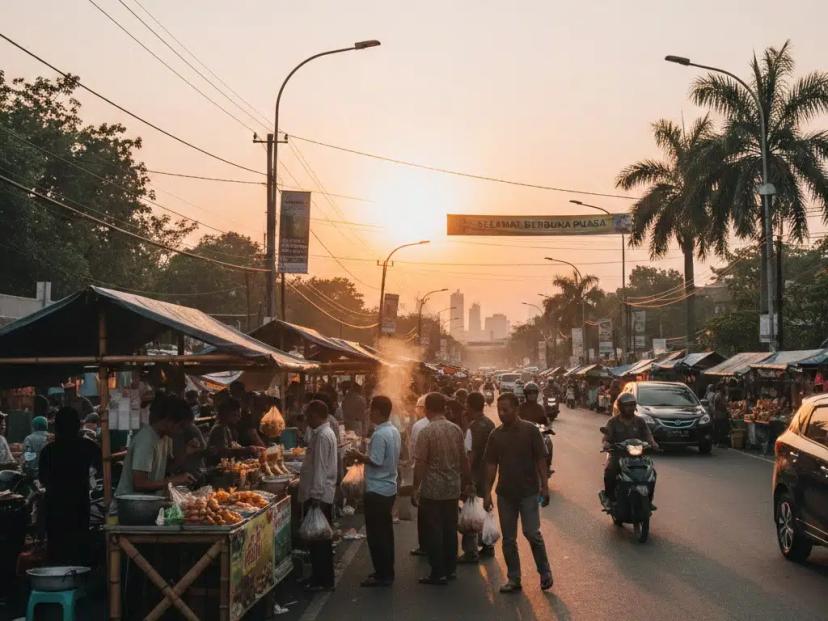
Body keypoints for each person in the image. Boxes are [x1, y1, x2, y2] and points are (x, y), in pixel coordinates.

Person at [483, 392, 553, 593]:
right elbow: (490, 465)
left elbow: (541, 460)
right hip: (505, 494)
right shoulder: (495, 435)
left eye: (506, 409)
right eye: (499, 410)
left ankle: (545, 572)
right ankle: (514, 578)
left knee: (532, 533)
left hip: (529, 492)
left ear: (516, 409)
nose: (502, 413)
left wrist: (544, 487)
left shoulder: (531, 431)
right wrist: (487, 493)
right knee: (508, 539)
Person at [412, 392, 470, 586]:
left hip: (432, 490)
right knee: (450, 529)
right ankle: (451, 569)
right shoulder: (456, 430)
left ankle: (438, 572)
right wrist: (467, 482)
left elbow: (420, 464)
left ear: (427, 409)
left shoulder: (426, 432)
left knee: (434, 531)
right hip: (452, 488)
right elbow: (464, 460)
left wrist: (414, 488)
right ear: (444, 408)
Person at [348, 396, 401, 587]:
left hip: (377, 490)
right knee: (385, 534)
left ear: (378, 411)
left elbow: (376, 460)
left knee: (377, 535)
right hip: (388, 488)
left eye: (371, 409)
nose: (369, 412)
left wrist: (358, 455)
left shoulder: (380, 434)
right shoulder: (393, 430)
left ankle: (382, 575)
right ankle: (386, 572)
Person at [38, 407, 102, 565]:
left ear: (56, 427)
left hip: (55, 506)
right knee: (78, 548)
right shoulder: (89, 447)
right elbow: (102, 469)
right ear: (78, 426)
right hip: (79, 504)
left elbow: (43, 479)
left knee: (56, 549)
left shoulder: (48, 450)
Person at [115, 395, 195, 498]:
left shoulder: (165, 438)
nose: (182, 432)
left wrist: (186, 452)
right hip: (132, 504)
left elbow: (167, 469)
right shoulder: (146, 440)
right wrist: (174, 480)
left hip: (149, 501)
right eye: (181, 427)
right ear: (169, 421)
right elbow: (139, 484)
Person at [298, 400, 338, 591]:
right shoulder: (322, 433)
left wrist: (315, 495)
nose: (307, 419)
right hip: (322, 493)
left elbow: (321, 468)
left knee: (320, 541)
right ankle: (318, 577)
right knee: (317, 540)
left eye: (308, 416)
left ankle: (323, 580)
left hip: (320, 495)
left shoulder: (322, 435)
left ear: (315, 415)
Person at [459, 392, 495, 564]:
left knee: (470, 513)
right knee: (484, 508)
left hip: (474, 474)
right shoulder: (490, 423)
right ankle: (488, 545)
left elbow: (470, 456)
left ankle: (470, 551)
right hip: (487, 473)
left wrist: (466, 478)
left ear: (470, 406)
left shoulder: (473, 427)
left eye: (466, 404)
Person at [602, 393, 658, 503]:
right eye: (627, 405)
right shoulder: (613, 422)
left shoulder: (640, 421)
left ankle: (648, 500)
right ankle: (609, 498)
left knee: (652, 474)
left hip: (638, 455)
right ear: (621, 407)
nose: (631, 408)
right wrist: (606, 443)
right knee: (609, 472)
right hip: (618, 454)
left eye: (632, 405)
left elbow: (648, 434)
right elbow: (606, 437)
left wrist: (653, 443)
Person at [408, 394, 429, 556]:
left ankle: (425, 546)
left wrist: (415, 487)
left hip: (424, 477)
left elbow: (415, 455)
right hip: (444, 480)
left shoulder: (419, 426)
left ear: (423, 408)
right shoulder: (450, 425)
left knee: (424, 515)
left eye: (418, 407)